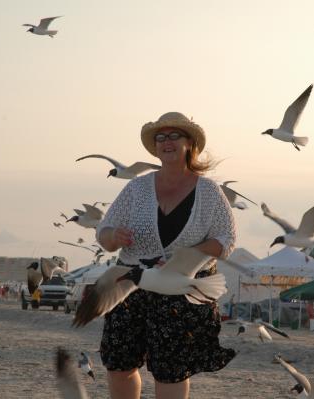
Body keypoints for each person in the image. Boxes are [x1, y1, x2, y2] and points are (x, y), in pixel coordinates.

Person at [96, 112, 236, 399]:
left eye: (174, 136)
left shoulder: (209, 191)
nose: (166, 142)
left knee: (171, 369)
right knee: (119, 363)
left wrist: (189, 255)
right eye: (161, 137)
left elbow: (226, 240)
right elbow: (104, 233)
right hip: (131, 284)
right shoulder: (137, 187)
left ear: (189, 144)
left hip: (181, 288)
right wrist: (114, 236)